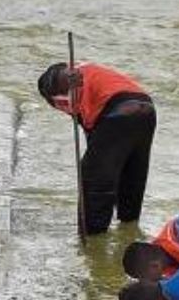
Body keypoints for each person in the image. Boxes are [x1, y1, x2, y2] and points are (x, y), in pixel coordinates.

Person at [37, 62, 155, 235]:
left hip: (118, 110)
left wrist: (68, 77)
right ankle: (129, 229)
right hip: (146, 108)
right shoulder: (93, 74)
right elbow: (92, 131)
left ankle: (93, 238)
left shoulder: (72, 76)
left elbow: (66, 75)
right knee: (132, 175)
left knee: (94, 180)